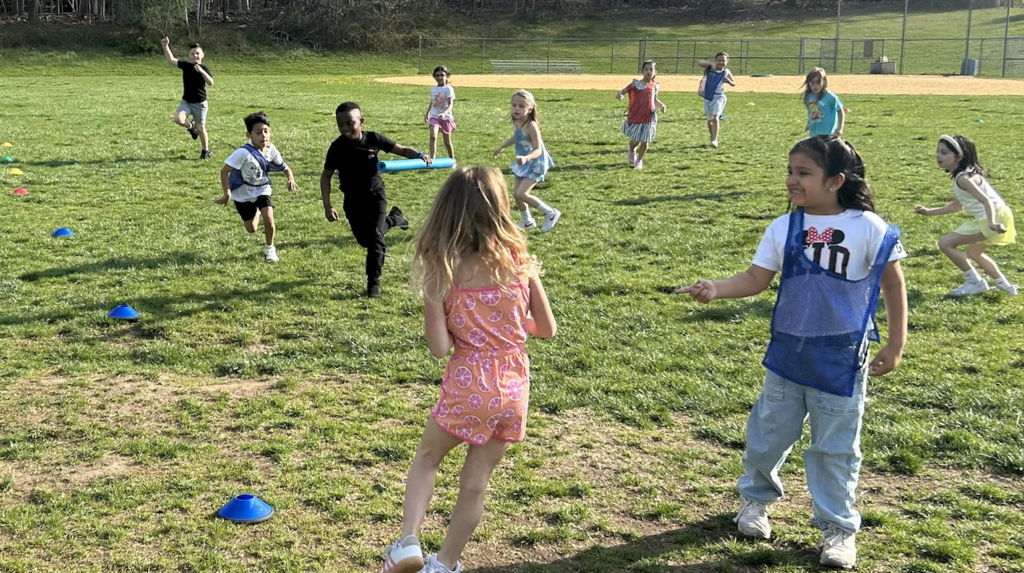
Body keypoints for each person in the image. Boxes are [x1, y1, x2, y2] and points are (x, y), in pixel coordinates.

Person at [676, 135, 908, 570]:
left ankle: (838, 529)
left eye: (804, 173)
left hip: (841, 361)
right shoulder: (784, 228)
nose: (792, 181)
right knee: (767, 436)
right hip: (787, 358)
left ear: (836, 180)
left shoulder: (870, 228)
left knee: (836, 448)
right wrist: (716, 288)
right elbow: (755, 278)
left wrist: (896, 343)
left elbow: (893, 285)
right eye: (790, 171)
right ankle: (754, 501)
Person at [380, 166, 557, 573]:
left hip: (467, 384)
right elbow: (546, 329)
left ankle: (408, 542)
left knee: (427, 457)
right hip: (512, 388)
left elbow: (439, 348)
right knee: (474, 485)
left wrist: (436, 300)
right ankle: (444, 565)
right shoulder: (520, 263)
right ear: (500, 209)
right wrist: (512, 330)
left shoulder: (443, 272)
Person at [320, 102, 429, 298]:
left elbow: (402, 150)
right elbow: (326, 176)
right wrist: (327, 206)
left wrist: (419, 155)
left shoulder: (373, 139)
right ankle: (395, 219)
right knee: (365, 240)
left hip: (375, 196)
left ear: (360, 121)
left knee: (375, 238)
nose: (345, 128)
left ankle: (373, 283)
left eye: (350, 123)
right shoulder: (337, 148)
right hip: (352, 199)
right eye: (340, 124)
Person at [915, 134, 1017, 296]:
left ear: (959, 157)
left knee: (945, 243)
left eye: (944, 152)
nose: (938, 156)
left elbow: (986, 201)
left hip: (993, 218)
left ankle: (975, 282)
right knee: (974, 253)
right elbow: (958, 206)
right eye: (937, 152)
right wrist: (929, 212)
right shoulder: (965, 176)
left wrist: (991, 222)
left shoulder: (963, 179)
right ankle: (1006, 287)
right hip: (1000, 215)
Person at [216, 112, 297, 263]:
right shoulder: (243, 153)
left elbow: (285, 167)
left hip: (262, 189)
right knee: (251, 229)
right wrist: (227, 193)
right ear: (249, 135)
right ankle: (257, 211)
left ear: (270, 132)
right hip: (243, 194)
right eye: (258, 133)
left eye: (266, 131)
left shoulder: (271, 149)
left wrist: (290, 179)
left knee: (269, 219)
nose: (263, 136)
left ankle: (270, 249)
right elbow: (224, 171)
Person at [493, 90, 560, 232]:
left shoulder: (532, 126)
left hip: (535, 163)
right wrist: (501, 147)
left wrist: (526, 158)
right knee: (516, 194)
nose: (516, 109)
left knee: (521, 194)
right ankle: (527, 221)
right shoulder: (517, 122)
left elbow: (538, 150)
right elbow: (516, 137)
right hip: (522, 163)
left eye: (521, 106)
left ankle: (550, 212)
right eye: (514, 105)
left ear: (530, 109)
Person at [160, 37, 214, 159]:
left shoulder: (204, 68)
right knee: (178, 119)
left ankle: (206, 151)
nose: (195, 56)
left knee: (201, 129)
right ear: (189, 56)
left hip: (200, 104)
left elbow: (211, 82)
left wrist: (201, 71)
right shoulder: (186, 66)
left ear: (202, 55)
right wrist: (165, 46)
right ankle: (191, 127)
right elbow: (171, 59)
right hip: (187, 102)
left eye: (197, 53)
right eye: (192, 54)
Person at [616, 59, 667, 170]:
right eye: (646, 69)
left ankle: (639, 161)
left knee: (645, 140)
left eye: (651, 69)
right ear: (642, 71)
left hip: (649, 117)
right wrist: (620, 94)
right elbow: (623, 91)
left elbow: (654, 100)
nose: (648, 72)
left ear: (655, 72)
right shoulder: (636, 84)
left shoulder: (655, 86)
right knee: (635, 140)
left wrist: (662, 105)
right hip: (636, 116)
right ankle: (631, 149)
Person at [697, 52, 735, 148]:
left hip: (719, 97)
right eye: (719, 60)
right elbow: (699, 63)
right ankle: (712, 136)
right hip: (709, 97)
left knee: (716, 117)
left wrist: (729, 81)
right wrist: (711, 64)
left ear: (727, 61)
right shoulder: (710, 69)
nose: (721, 62)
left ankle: (715, 140)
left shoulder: (726, 72)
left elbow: (733, 83)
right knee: (709, 120)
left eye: (723, 60)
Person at [425, 65, 456, 162]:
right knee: (433, 137)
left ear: (447, 76)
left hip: (445, 118)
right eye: (437, 75)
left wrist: (444, 113)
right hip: (434, 117)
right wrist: (427, 113)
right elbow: (433, 101)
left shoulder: (448, 89)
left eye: (442, 75)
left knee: (447, 142)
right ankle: (432, 160)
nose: (439, 77)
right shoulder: (433, 89)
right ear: (434, 76)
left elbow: (450, 104)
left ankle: (452, 159)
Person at [802, 67, 845, 137]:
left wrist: (840, 128)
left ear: (824, 82)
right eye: (812, 83)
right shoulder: (809, 97)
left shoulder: (830, 97)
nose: (815, 85)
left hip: (828, 133)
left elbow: (840, 111)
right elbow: (810, 112)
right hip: (814, 133)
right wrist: (809, 123)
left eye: (818, 82)